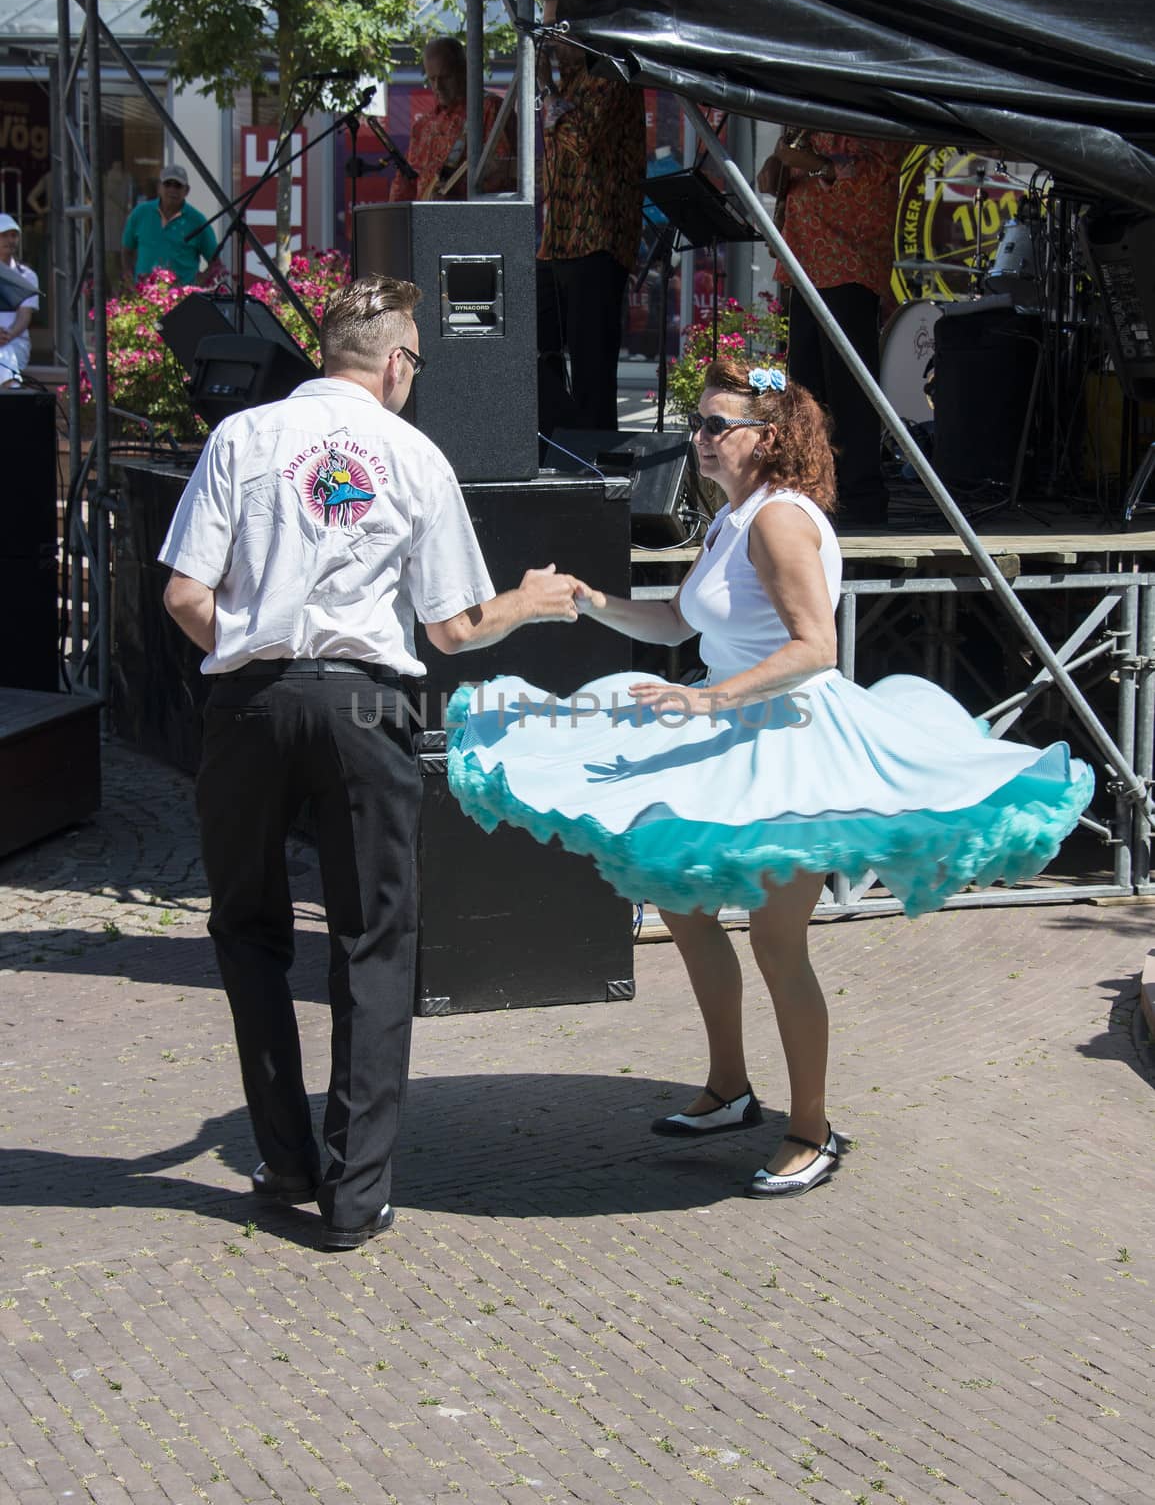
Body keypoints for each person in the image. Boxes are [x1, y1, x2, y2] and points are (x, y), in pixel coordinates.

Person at [446, 360, 1094, 1197]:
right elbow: (680, 618)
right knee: (683, 907)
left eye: (718, 427)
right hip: (723, 730)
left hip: (789, 737)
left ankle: (811, 1128)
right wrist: (593, 600)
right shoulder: (730, 518)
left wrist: (706, 698)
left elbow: (813, 649)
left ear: (771, 436)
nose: (701, 441)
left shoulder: (778, 520)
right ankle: (727, 1090)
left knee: (776, 941)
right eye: (699, 425)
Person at [158, 274, 581, 1249]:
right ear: (395, 362)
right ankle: (353, 1199)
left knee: (249, 928)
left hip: (251, 704)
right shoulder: (413, 455)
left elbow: (184, 594)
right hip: (364, 705)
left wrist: (253, 642)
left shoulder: (241, 438)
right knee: (373, 941)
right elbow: (454, 626)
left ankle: (284, 1158)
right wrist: (526, 598)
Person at [758, 132, 904, 527]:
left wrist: (812, 163)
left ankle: (858, 497)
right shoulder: (802, 109)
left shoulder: (865, 104)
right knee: (806, 384)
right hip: (805, 253)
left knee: (849, 386)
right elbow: (787, 161)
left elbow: (878, 169)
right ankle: (810, 489)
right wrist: (778, 171)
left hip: (849, 254)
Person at [536, 0, 646, 433]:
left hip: (596, 242)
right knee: (536, 353)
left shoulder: (610, 74)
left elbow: (580, 140)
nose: (547, 41)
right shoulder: (570, 84)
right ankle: (558, 447)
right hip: (557, 242)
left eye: (554, 30)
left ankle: (594, 470)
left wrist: (545, 90)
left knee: (591, 372)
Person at [388, 37, 515, 202]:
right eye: (432, 79)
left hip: (474, 221)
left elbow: (507, 172)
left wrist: (457, 197)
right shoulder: (423, 125)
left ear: (464, 71)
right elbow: (406, 182)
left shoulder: (488, 109)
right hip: (428, 223)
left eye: (445, 77)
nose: (438, 87)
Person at [122, 163, 218, 286]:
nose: (172, 189)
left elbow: (216, 263)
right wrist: (129, 276)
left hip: (183, 300)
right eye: (167, 184)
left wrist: (198, 284)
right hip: (144, 298)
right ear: (159, 187)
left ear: (186, 190)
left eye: (178, 185)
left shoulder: (197, 220)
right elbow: (127, 250)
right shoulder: (140, 213)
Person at [0, 214, 38, 387]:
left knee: (5, 355)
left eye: (13, 235)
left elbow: (25, 316)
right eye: (4, 235)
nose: (10, 240)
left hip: (15, 342)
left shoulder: (27, 276)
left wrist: (7, 336)